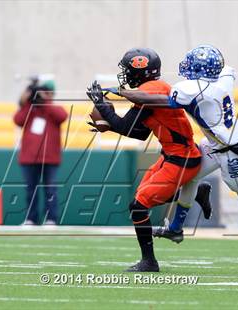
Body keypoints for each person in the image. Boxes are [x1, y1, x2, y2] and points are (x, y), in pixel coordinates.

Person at [115, 45, 238, 258]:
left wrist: (126, 93)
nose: (188, 67)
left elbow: (158, 102)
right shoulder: (223, 77)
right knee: (189, 171)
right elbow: (226, 68)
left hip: (230, 151)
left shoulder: (192, 89)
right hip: (216, 142)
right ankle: (176, 229)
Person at [86, 48, 211, 272]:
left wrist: (102, 106)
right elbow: (139, 132)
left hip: (180, 160)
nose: (125, 74)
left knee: (138, 206)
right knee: (139, 202)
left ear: (139, 70)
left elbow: (126, 126)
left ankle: (149, 262)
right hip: (174, 156)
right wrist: (108, 123)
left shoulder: (150, 91)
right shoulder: (152, 88)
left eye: (128, 69)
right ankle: (197, 191)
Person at [13, 79, 68, 225]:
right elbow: (18, 120)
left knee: (51, 190)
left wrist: (45, 102)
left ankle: (51, 218)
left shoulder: (53, 109)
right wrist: (26, 101)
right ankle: (31, 218)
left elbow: (62, 116)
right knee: (31, 191)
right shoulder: (29, 109)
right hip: (29, 158)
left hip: (50, 158)